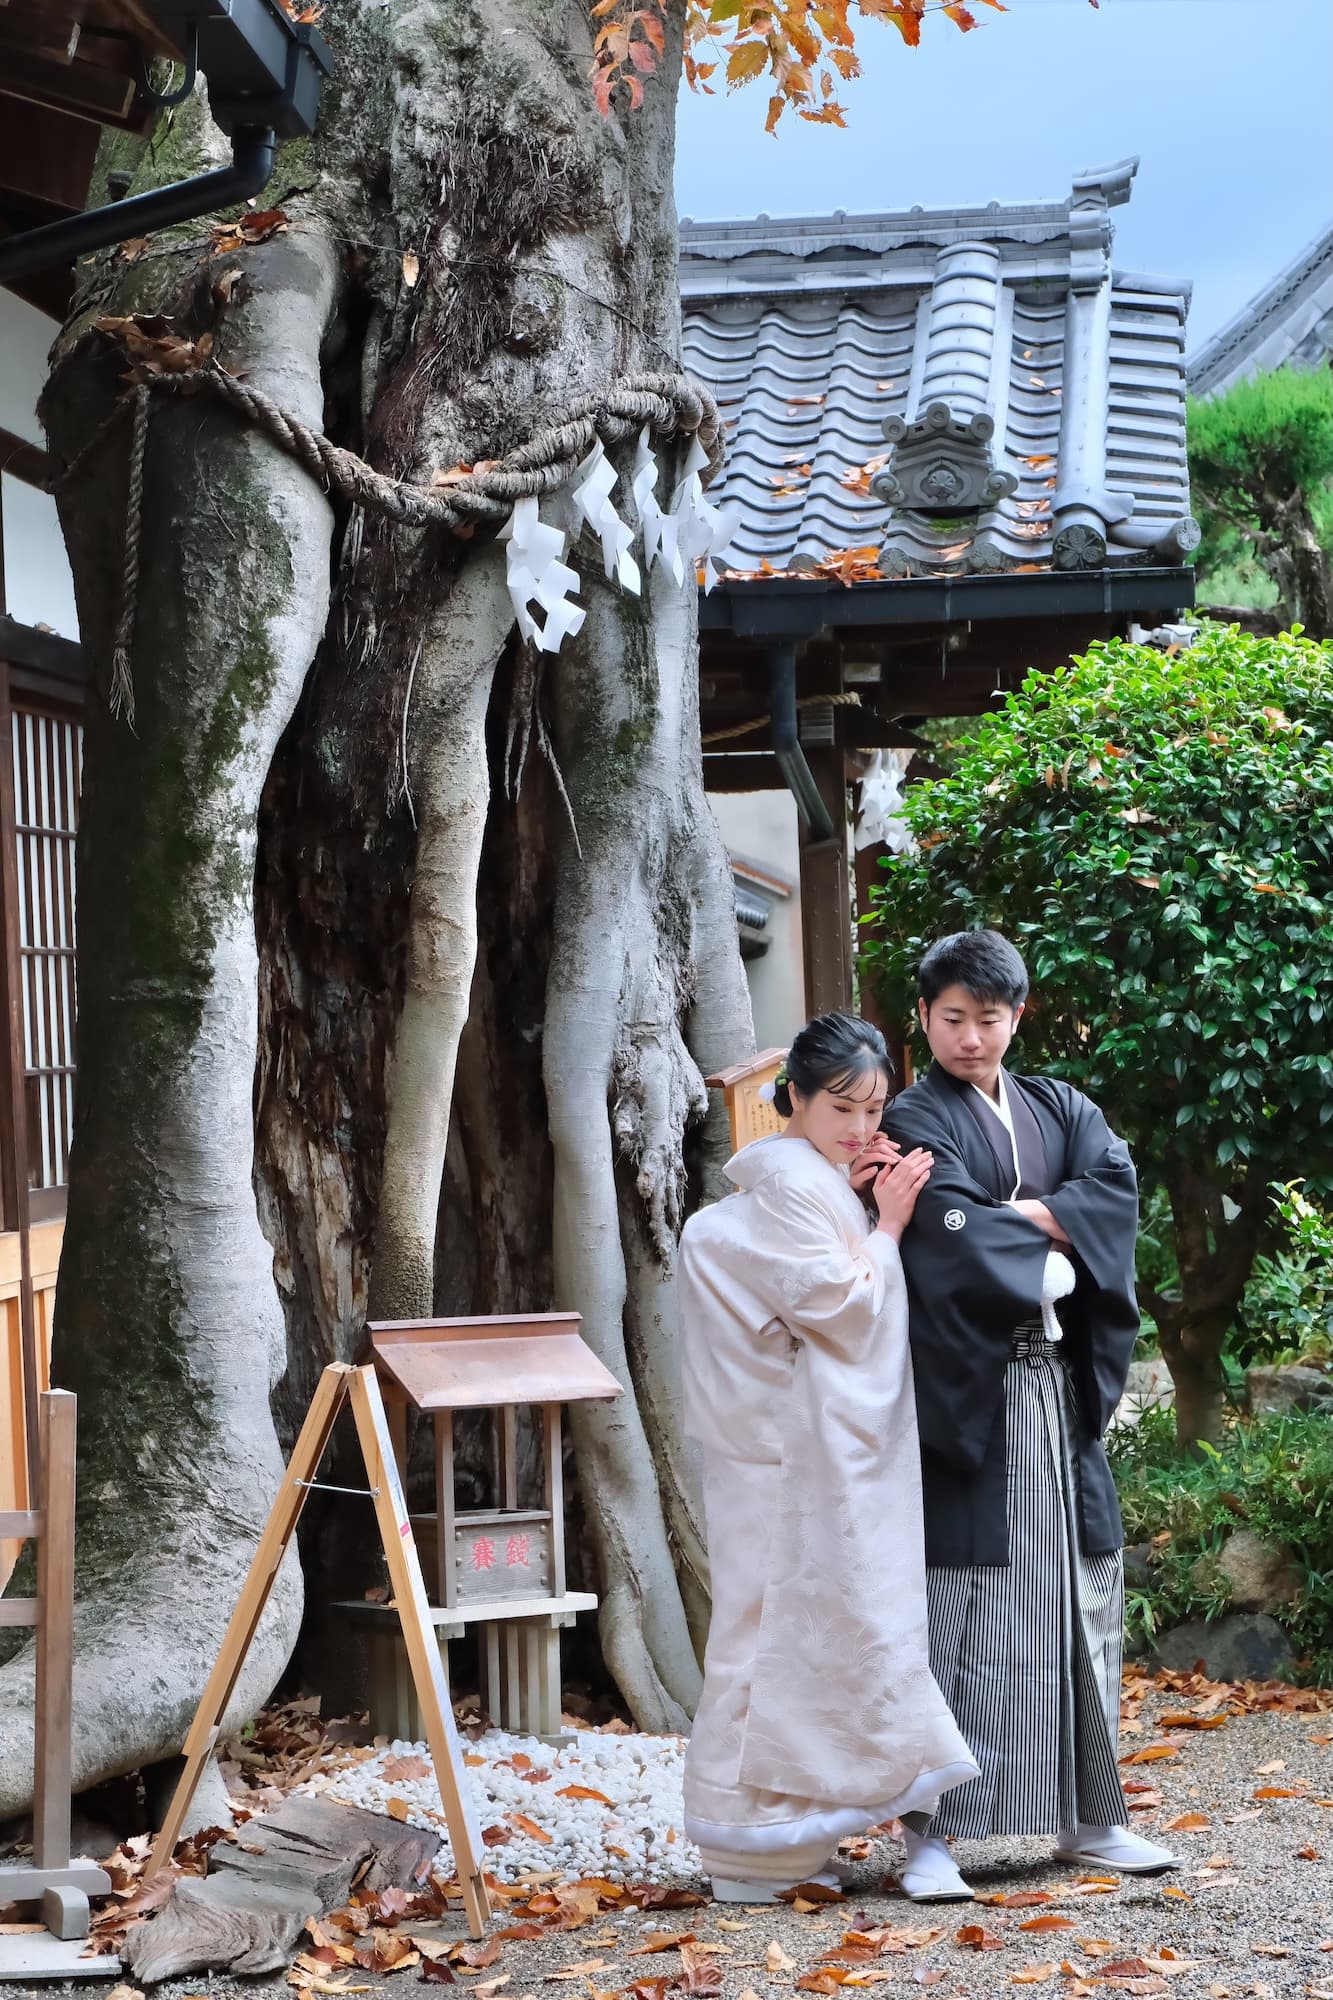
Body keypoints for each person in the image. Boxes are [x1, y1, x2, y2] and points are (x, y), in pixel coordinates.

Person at [866, 931, 1176, 1902]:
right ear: (923, 1018)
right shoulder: (915, 1112)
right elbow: (949, 1229)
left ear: (1017, 1016)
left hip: (1055, 1386)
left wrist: (1030, 1210)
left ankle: (1093, 1817)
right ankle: (929, 1836)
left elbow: (1115, 1193)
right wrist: (1057, 1215)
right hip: (968, 1394)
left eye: (987, 1017)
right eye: (951, 1016)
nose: (969, 1035)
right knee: (955, 1605)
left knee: (1077, 1595)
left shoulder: (1059, 1105)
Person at [677, 1012, 979, 1903]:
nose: (858, 1126)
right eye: (840, 1106)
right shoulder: (793, 1188)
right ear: (793, 1100)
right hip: (780, 1452)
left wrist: (861, 1208)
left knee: (768, 1631)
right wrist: (886, 1227)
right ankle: (752, 1842)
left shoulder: (800, 1182)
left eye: (874, 1108)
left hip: (766, 1444)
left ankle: (770, 1839)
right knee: (766, 1632)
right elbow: (842, 1311)